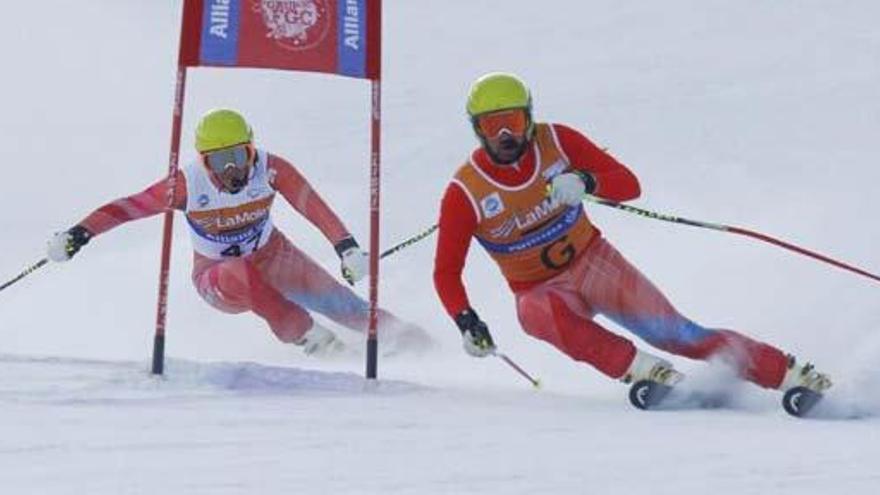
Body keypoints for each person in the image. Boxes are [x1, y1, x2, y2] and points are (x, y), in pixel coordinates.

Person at [433, 73, 831, 399]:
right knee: (533, 315)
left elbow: (629, 185)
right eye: (491, 125)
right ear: (477, 131)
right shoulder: (465, 192)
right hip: (538, 290)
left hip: (593, 262)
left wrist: (587, 181)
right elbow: (446, 272)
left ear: (530, 120)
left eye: (515, 122)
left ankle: (789, 374)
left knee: (678, 335)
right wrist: (466, 321)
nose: (505, 135)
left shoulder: (558, 141)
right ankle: (641, 370)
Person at [48, 108, 431, 357]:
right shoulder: (187, 184)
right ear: (204, 161)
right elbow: (128, 207)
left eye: (239, 156)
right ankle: (314, 341)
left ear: (252, 149)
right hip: (217, 277)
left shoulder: (271, 168)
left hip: (275, 256)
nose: (233, 169)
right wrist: (79, 233)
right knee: (240, 272)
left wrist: (346, 248)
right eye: (220, 160)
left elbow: (311, 205)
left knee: (343, 305)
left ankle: (412, 342)